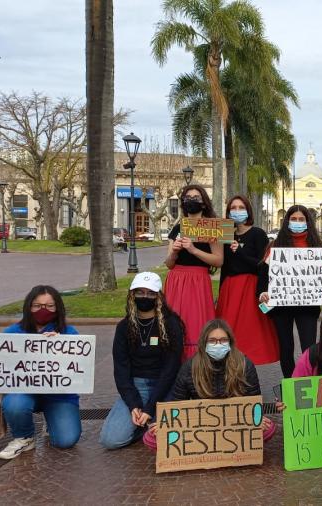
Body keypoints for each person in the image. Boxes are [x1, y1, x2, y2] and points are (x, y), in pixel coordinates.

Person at [0, 286, 81, 459]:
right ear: (28, 307)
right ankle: (24, 437)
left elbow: (80, 368)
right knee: (15, 404)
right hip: (23, 392)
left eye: (49, 306)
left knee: (66, 440)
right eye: (37, 306)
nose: (43, 310)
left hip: (59, 396)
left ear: (58, 307)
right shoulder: (12, 332)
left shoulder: (69, 333)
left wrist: (62, 346)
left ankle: (51, 421)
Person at [146, 319, 275, 444]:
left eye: (223, 340)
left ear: (230, 342)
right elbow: (177, 403)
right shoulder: (189, 368)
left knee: (268, 428)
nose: (218, 344)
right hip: (201, 427)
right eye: (212, 340)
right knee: (151, 436)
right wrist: (165, 424)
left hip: (236, 424)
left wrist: (258, 419)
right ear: (204, 343)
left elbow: (254, 401)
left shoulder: (245, 365)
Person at [99, 272, 184, 450]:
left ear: (158, 296)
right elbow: (121, 370)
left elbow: (171, 368)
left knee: (169, 438)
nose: (145, 297)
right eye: (140, 292)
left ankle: (148, 421)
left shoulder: (171, 324)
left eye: (151, 293)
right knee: (110, 440)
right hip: (137, 386)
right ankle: (142, 427)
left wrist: (150, 407)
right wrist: (134, 405)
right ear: (132, 295)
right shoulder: (124, 327)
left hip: (166, 386)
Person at [258, 205, 322, 378]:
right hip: (281, 307)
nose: (297, 222)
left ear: (308, 222)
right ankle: (290, 384)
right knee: (286, 348)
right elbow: (263, 277)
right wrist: (263, 294)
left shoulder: (316, 247)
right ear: (287, 222)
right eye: (293, 219)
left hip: (308, 306)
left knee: (309, 348)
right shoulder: (274, 247)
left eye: (301, 219)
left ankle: (309, 383)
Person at [216, 195, 279, 365]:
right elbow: (225, 267)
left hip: (250, 287)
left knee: (249, 331)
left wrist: (240, 252)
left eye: (241, 208)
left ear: (248, 211)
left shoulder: (258, 234)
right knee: (228, 330)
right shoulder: (226, 234)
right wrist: (221, 292)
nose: (237, 211)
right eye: (233, 208)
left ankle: (248, 370)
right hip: (230, 288)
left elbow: (263, 264)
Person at [164, 184, 224, 361]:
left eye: (196, 197)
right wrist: (174, 253)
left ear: (204, 203)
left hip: (198, 281)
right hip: (176, 281)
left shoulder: (212, 227)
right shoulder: (177, 228)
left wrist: (193, 250)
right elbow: (169, 264)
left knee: (196, 323)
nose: (191, 201)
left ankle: (197, 362)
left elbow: (218, 260)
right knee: (174, 323)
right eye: (188, 198)